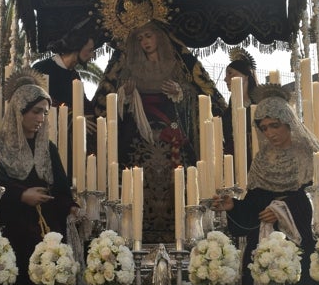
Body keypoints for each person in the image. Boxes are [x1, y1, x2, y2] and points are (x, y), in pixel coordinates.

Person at [95, 21, 224, 244]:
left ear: (159, 38)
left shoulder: (176, 66)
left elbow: (199, 99)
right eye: (140, 39)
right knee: (133, 186)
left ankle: (183, 238)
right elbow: (113, 106)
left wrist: (180, 92)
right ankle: (134, 239)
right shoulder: (129, 68)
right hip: (137, 140)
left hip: (171, 138)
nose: (145, 42)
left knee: (180, 184)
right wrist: (124, 95)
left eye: (148, 36)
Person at [214, 91, 319, 285]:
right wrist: (233, 206)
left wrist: (283, 209)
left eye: (274, 125)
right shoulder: (261, 161)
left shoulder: (311, 157)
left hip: (303, 250)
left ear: (288, 122)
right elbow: (255, 208)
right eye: (264, 128)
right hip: (264, 250)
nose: (270, 133)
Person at [0, 71, 75, 284]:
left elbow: (61, 191)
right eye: (36, 111)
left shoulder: (48, 149)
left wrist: (73, 207)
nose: (41, 118)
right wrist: (21, 195)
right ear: (19, 111)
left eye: (45, 113)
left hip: (49, 240)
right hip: (11, 238)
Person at [34, 23, 96, 111]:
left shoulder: (75, 77)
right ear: (77, 48)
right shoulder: (41, 68)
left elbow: (85, 107)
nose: (92, 55)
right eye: (90, 50)